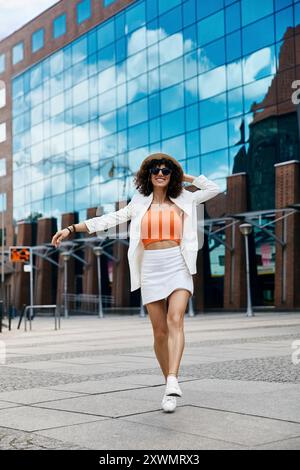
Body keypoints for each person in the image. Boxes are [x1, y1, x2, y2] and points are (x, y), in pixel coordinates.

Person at [51, 153, 221, 413]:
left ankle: (173, 379)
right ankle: (169, 385)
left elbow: (214, 188)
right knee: (159, 331)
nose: (161, 174)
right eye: (155, 170)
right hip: (151, 266)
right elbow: (108, 220)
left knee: (176, 319)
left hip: (177, 262)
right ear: (148, 175)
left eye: (166, 170)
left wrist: (182, 175)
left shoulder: (186, 197)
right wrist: (71, 229)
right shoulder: (139, 202)